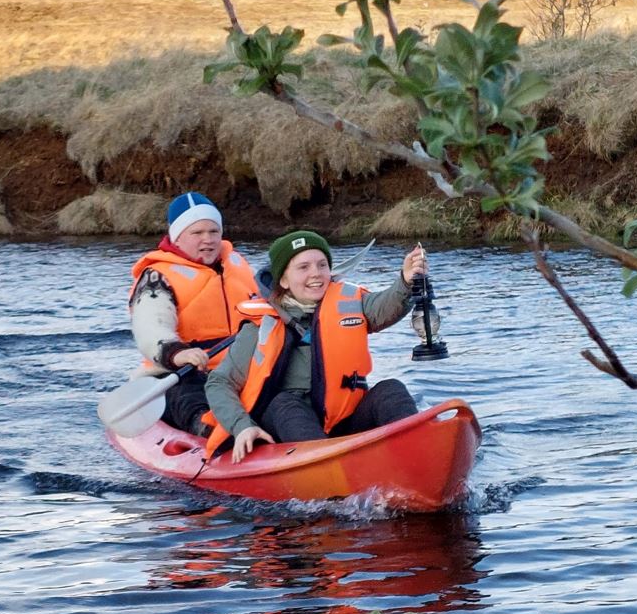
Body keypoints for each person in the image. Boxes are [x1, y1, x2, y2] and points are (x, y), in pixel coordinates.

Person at [205, 231, 427, 463]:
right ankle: (327, 471)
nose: (316, 273)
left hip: (342, 421)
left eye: (322, 265)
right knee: (285, 404)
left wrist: (406, 281)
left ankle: (417, 455)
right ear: (283, 280)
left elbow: (384, 306)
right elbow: (219, 382)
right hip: (286, 428)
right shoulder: (259, 326)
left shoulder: (350, 303)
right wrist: (242, 426)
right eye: (303, 267)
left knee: (390, 389)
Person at [129, 192, 260, 435]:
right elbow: (150, 327)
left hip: (240, 368)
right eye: (197, 233)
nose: (207, 239)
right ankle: (207, 429)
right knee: (188, 396)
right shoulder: (156, 278)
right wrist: (178, 353)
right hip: (182, 372)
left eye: (213, 231)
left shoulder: (237, 265)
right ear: (177, 237)